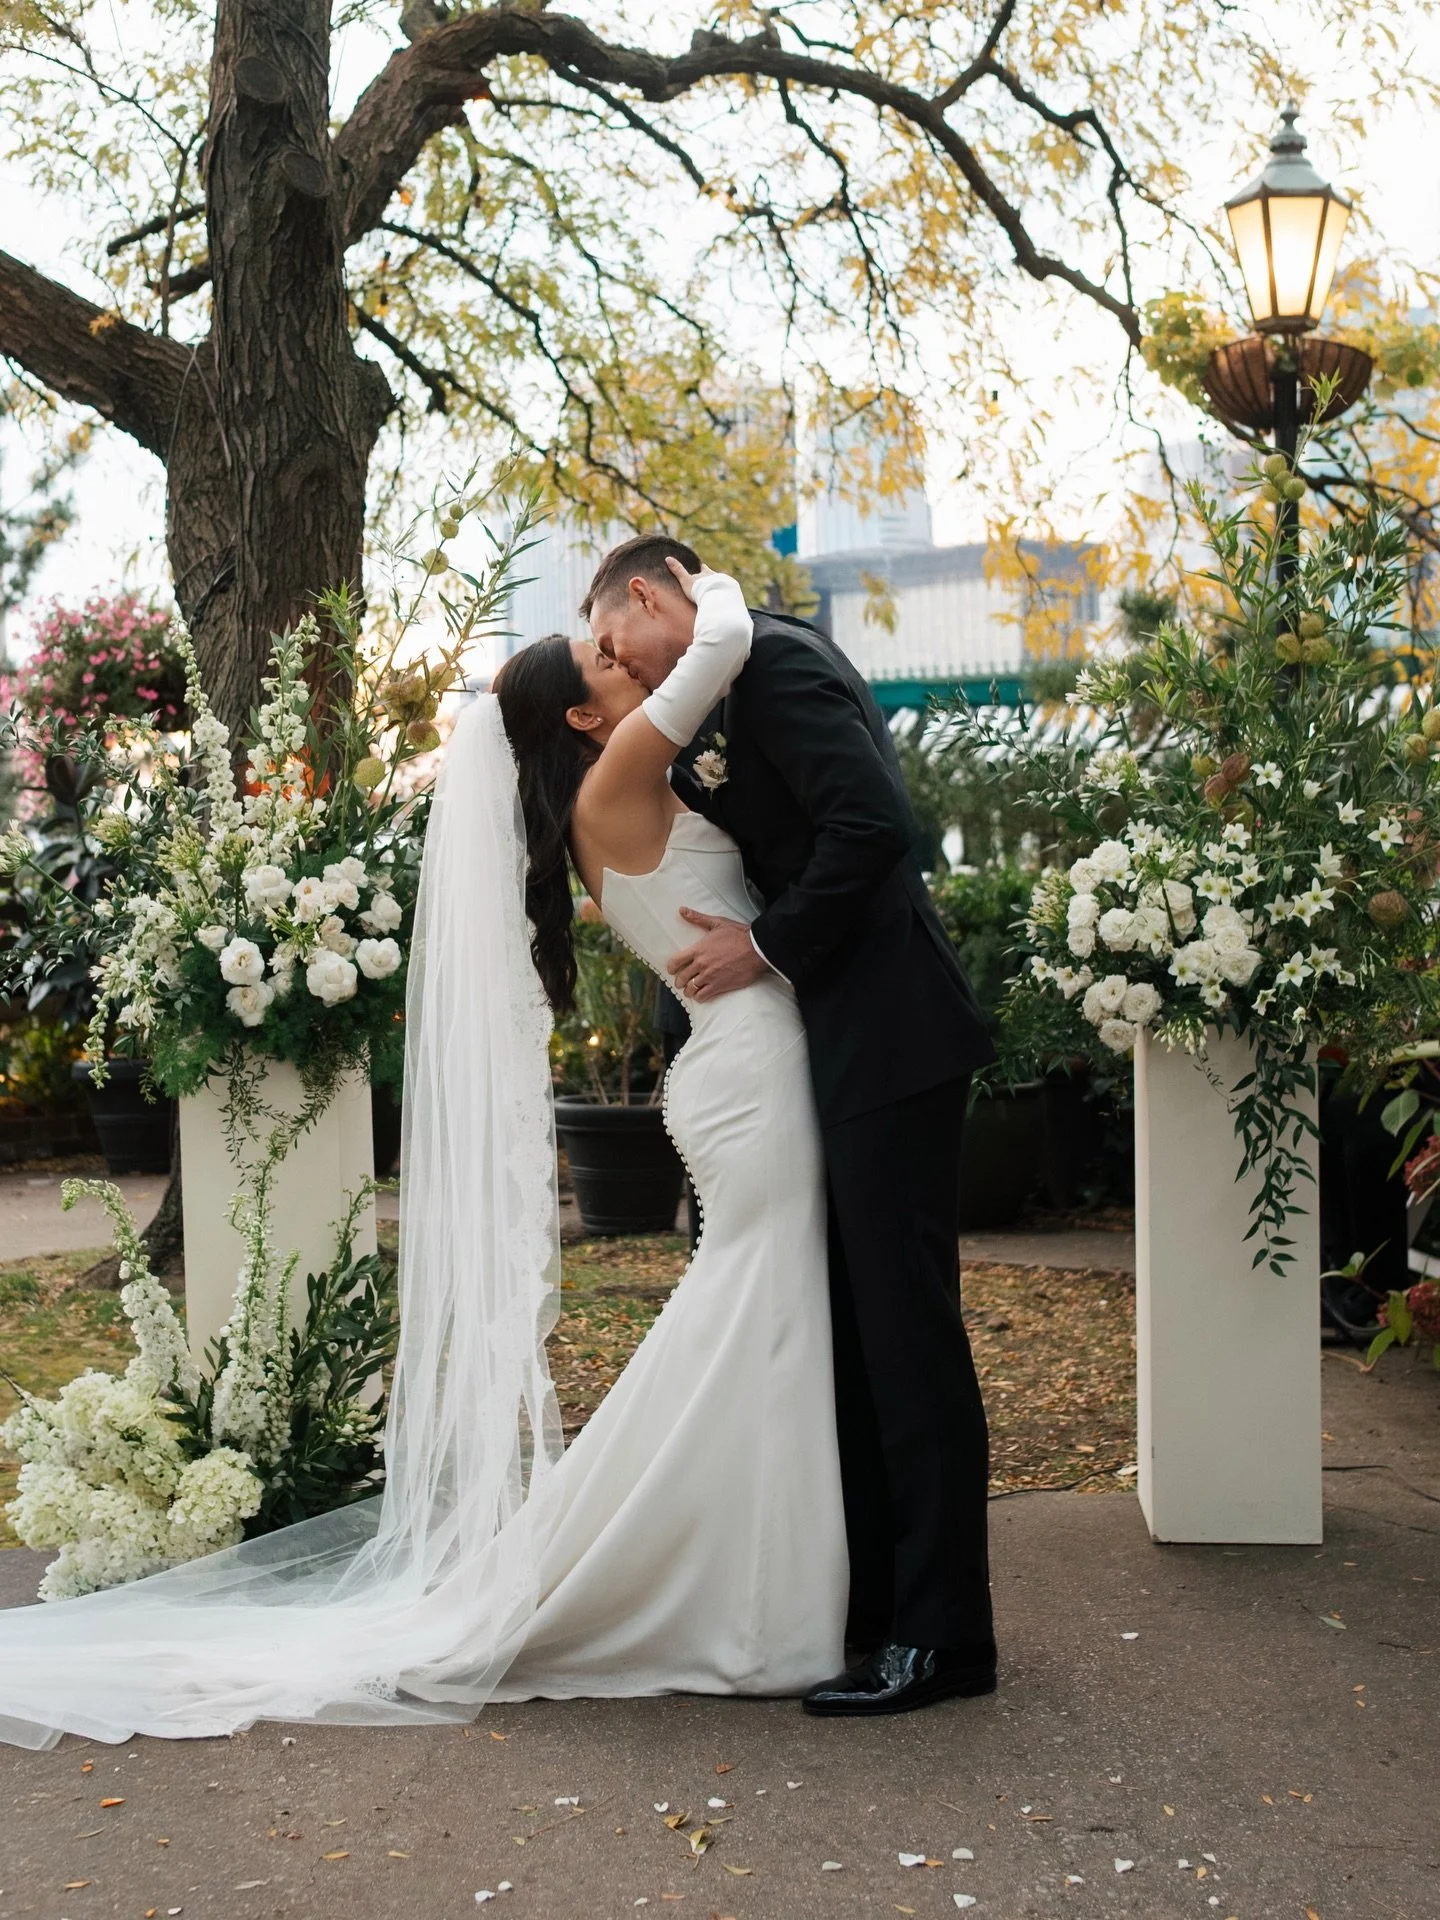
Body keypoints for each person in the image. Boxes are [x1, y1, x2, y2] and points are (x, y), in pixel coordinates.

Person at [0, 565, 851, 1747]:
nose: (627, 660)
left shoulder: (599, 807)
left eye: (617, 645)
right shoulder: (617, 781)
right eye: (608, 659)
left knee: (754, 1316)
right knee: (757, 1314)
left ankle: (743, 1581)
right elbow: (714, 648)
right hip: (752, 1075)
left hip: (737, 1072)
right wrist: (693, 585)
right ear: (583, 719)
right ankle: (725, 1597)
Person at [584, 535, 998, 1715]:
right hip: (840, 1043)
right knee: (866, 1337)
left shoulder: (773, 668)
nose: (621, 664)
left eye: (618, 640)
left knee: (910, 1340)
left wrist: (762, 947)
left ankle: (947, 1640)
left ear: (657, 599)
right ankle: (879, 1615)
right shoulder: (725, 676)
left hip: (894, 1037)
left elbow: (876, 827)